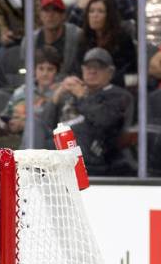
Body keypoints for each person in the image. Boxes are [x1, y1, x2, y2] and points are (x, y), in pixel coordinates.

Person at [54, 47, 131, 175]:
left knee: (77, 131)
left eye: (98, 67)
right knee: (34, 124)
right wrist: (56, 97)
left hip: (95, 153)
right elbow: (44, 122)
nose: (92, 71)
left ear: (110, 72)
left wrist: (82, 97)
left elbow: (103, 119)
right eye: (88, 67)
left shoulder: (119, 95)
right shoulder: (71, 92)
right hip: (59, 146)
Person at [0, 46, 62, 149]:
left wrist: (23, 124)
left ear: (57, 72)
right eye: (41, 68)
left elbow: (51, 123)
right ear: (35, 70)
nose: (45, 73)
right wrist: (8, 123)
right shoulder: (21, 91)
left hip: (31, 138)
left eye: (50, 69)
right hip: (10, 133)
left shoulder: (59, 94)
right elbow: (5, 115)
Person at [67, 0, 136, 86]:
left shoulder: (122, 38)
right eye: (91, 11)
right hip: (87, 84)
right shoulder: (85, 38)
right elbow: (77, 68)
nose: (95, 16)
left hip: (116, 86)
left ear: (110, 15)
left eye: (100, 11)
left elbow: (125, 71)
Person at [21, 0, 82, 77]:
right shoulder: (29, 41)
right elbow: (25, 71)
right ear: (40, 15)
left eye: (56, 10)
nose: (50, 15)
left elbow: (80, 70)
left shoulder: (76, 36)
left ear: (63, 15)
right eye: (46, 10)